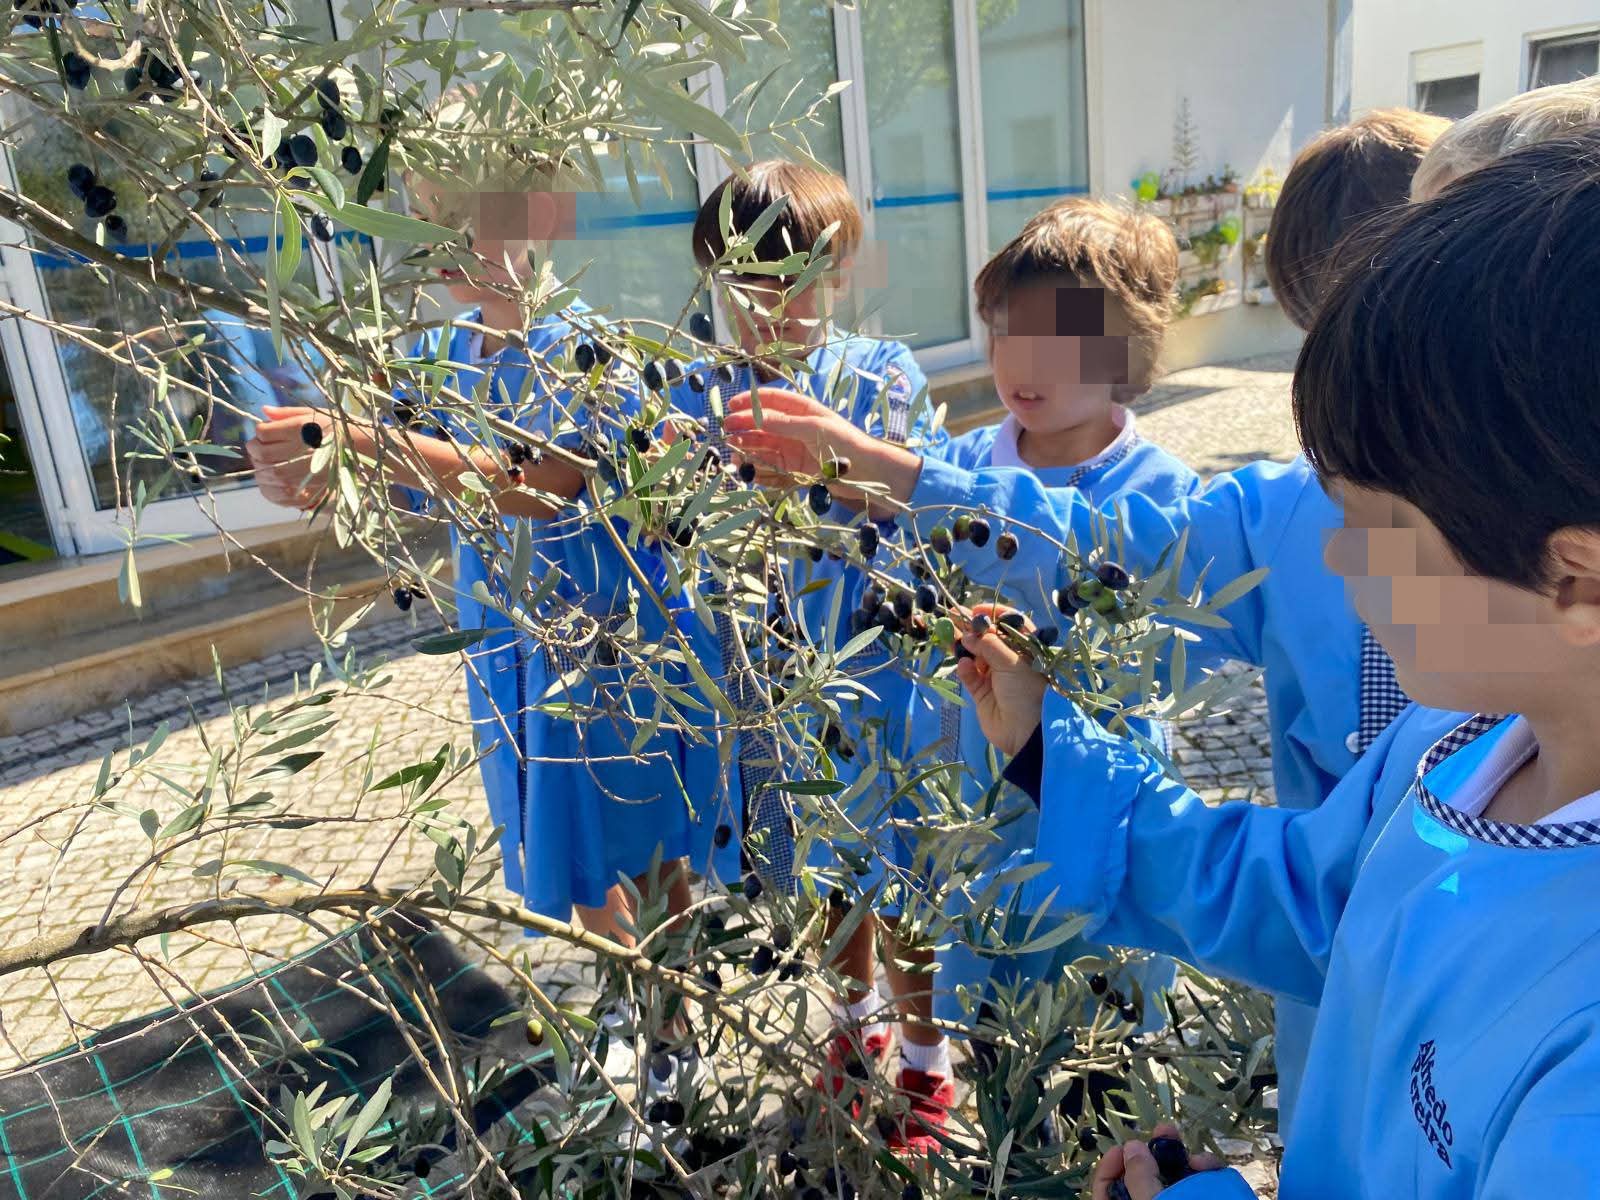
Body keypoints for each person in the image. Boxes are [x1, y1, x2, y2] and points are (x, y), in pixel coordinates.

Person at [722, 109, 1448, 1125]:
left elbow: (1135, 601)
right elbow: (1121, 556)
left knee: (1103, 1052)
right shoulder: (1283, 510)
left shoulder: (1504, 611)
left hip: (1421, 977)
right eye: (1326, 325)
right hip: (1290, 974)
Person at [958, 133, 1600, 1199]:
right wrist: (1040, 746)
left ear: (1573, 577)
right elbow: (1297, 897)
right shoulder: (1457, 749)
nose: (1338, 556)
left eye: (1373, 522)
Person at [245, 107, 700, 1090]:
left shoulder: (591, 348)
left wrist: (357, 440)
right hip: (508, 641)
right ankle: (628, 1002)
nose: (449, 250)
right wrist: (325, 471)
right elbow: (429, 476)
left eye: (470, 224)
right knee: (563, 845)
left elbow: (534, 483)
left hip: (604, 646)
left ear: (538, 215)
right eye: (429, 227)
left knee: (640, 839)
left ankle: (676, 1024)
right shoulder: (448, 352)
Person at [871, 197, 1200, 1151]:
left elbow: (1166, 656)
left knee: (1100, 1047)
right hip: (978, 812)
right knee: (996, 1020)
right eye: (1007, 331)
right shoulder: (953, 469)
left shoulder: (1165, 493)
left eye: (1061, 339)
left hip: (1099, 805)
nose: (1021, 363)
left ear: (1127, 350)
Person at [662, 160, 945, 1118]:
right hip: (770, 675)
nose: (776, 298)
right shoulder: (696, 394)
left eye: (802, 272)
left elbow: (907, 503)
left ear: (840, 267)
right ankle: (849, 1024)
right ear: (718, 276)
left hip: (876, 666)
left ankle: (924, 1056)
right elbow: (678, 529)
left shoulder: (879, 374)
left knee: (901, 865)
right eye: (752, 275)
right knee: (823, 861)